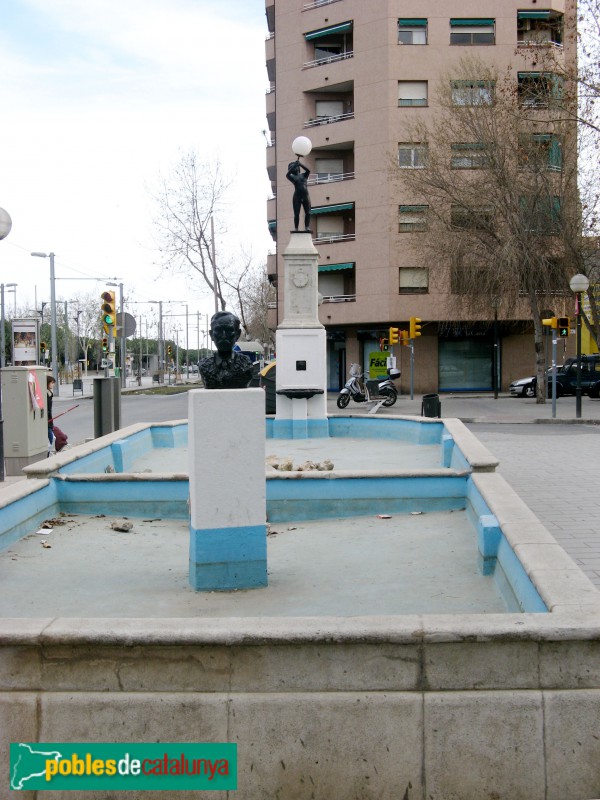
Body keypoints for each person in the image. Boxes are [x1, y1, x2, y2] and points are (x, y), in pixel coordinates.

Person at [198, 311, 254, 389]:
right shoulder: (204, 365)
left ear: (238, 334)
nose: (224, 336)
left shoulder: (246, 364)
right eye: (218, 330)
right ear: (211, 335)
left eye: (229, 330)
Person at [286, 159, 311, 231]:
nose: (294, 168)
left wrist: (300, 164)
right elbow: (287, 174)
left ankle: (307, 227)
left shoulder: (304, 175)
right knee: (296, 214)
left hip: (306, 196)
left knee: (308, 212)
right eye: (292, 168)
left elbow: (308, 170)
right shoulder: (292, 177)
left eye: (295, 167)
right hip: (297, 197)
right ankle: (296, 228)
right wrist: (294, 165)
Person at [46, 375, 56, 446]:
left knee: (52, 437)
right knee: (51, 438)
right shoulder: (45, 394)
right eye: (52, 383)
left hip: (49, 420)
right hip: (47, 420)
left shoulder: (49, 393)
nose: (53, 384)